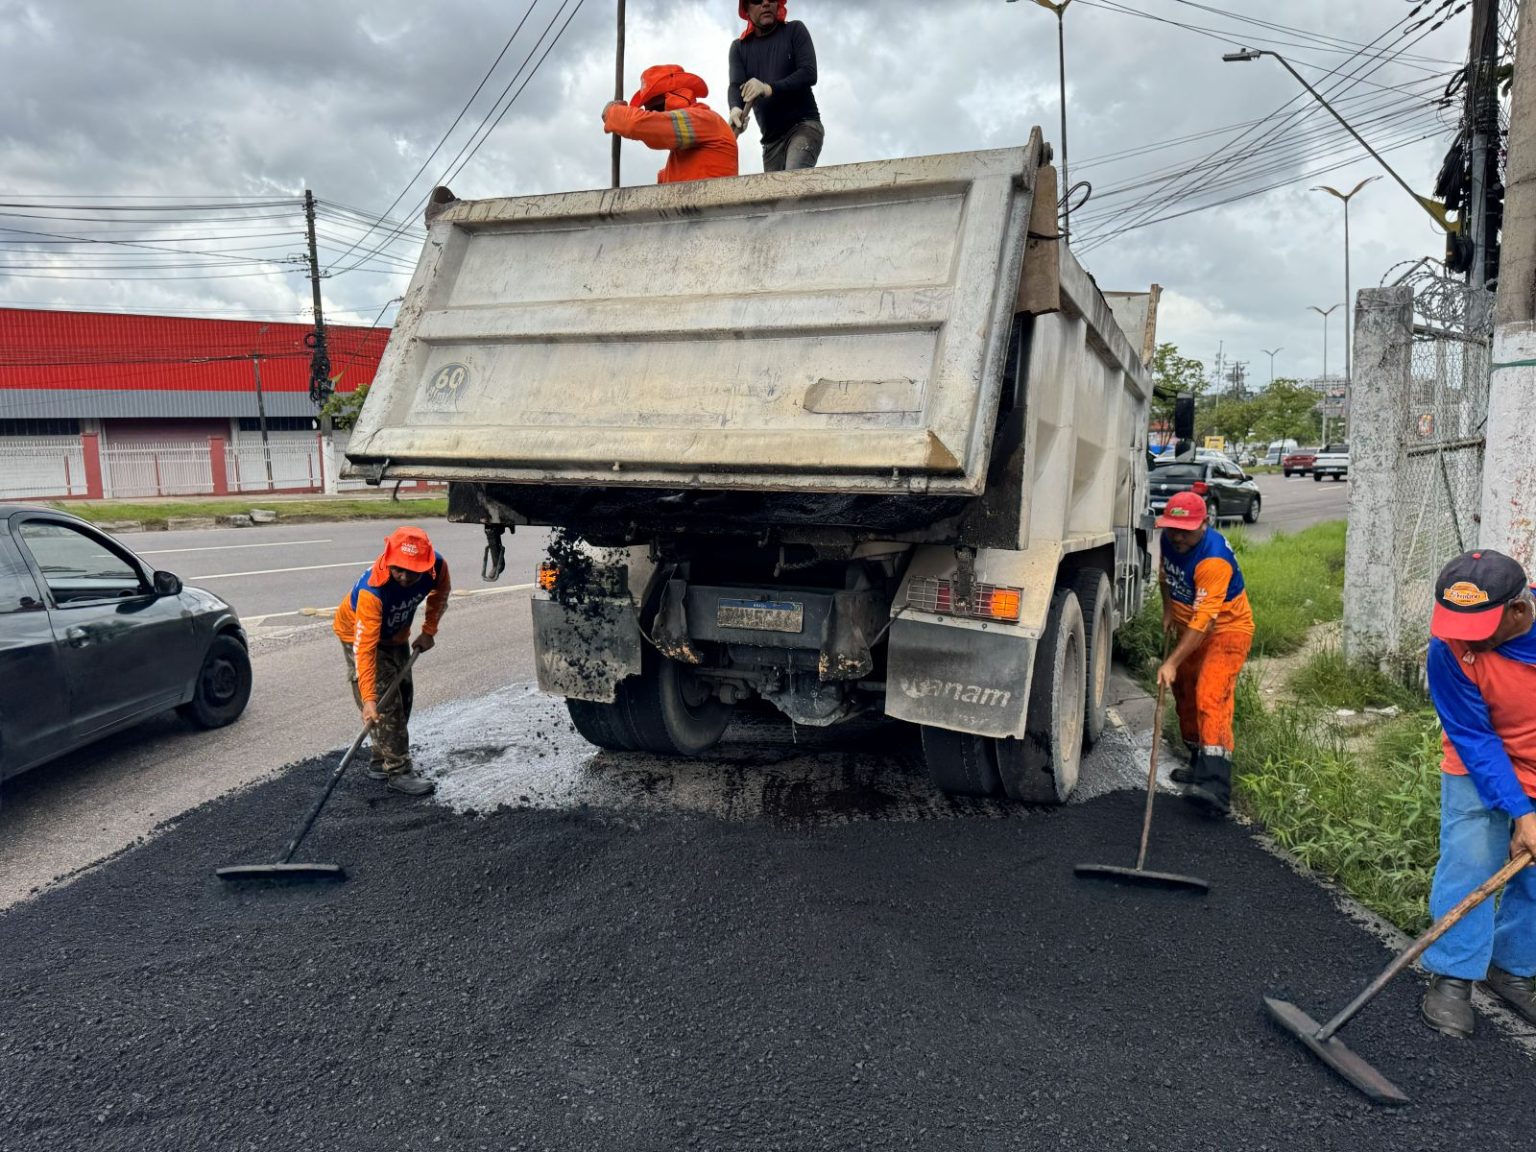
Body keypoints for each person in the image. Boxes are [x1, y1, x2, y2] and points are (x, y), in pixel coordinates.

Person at [1420, 549, 1536, 1037]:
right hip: (1480, 756)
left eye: (1478, 626)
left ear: (1519, 610)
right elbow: (1474, 737)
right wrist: (1520, 812)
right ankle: (1453, 973)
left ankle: (1512, 969)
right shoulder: (1447, 647)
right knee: (1469, 855)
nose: (1463, 637)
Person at [1154, 491, 1254, 814]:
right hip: (1190, 631)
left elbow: (1204, 621)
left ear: (1204, 524)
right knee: (1185, 692)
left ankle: (1215, 786)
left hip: (1226, 631)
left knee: (1211, 694)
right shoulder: (1169, 541)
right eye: (1172, 528)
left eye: (1185, 530)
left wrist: (1171, 661)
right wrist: (1168, 609)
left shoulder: (1213, 560)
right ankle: (1198, 763)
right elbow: (1165, 575)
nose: (1177, 537)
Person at [333, 526, 450, 797]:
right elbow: (365, 649)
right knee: (387, 703)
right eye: (399, 569)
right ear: (388, 560)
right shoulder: (372, 590)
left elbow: (441, 593)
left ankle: (380, 759)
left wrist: (429, 630)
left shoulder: (437, 567)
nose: (405, 576)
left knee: (404, 694)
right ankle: (398, 771)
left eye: (412, 570)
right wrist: (370, 699)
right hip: (359, 636)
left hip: (396, 634)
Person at [603, 64, 739, 185]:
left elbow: (636, 124)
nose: (654, 114)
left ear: (676, 96)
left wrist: (612, 112)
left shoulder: (703, 120)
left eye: (656, 108)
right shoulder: (684, 150)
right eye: (648, 110)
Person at [728, 1, 823, 172]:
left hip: (803, 127)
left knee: (791, 182)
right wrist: (735, 108)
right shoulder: (739, 48)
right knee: (776, 197)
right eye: (757, 0)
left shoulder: (794, 30)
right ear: (746, 9)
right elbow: (736, 85)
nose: (765, 3)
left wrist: (768, 88)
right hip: (771, 143)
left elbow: (809, 73)